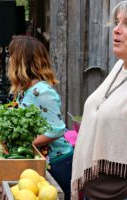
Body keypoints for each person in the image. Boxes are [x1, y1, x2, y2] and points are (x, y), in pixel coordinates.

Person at [71, 1, 127, 199]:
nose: (117, 30)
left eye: (126, 24)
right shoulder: (120, 68)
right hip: (95, 188)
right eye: (117, 23)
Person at [7, 36, 73, 200]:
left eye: (11, 56)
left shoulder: (42, 91)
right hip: (41, 160)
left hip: (57, 163)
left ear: (21, 61)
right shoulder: (26, 89)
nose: (9, 61)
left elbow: (56, 130)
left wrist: (24, 146)